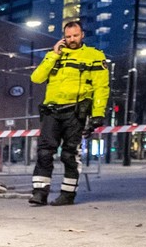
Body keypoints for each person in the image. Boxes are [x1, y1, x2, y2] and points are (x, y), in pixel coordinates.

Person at [28, 21, 109, 206]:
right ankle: (39, 193)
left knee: (69, 155)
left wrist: (97, 114)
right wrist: (54, 55)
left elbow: (101, 88)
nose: (72, 39)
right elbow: (37, 78)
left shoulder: (94, 56)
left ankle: (67, 194)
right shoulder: (55, 54)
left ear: (82, 35)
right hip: (52, 111)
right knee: (44, 153)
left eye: (75, 35)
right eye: (68, 36)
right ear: (64, 36)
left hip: (75, 112)